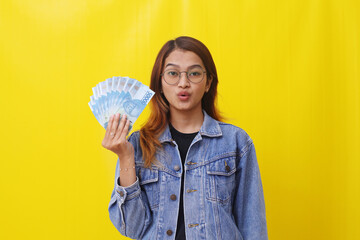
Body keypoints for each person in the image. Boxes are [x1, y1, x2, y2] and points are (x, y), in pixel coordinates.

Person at [103, 36, 268, 240]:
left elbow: (253, 227)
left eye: (194, 73)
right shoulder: (137, 144)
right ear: (160, 84)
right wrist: (126, 157)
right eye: (173, 73)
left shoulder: (236, 142)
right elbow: (132, 228)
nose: (183, 83)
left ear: (208, 82)